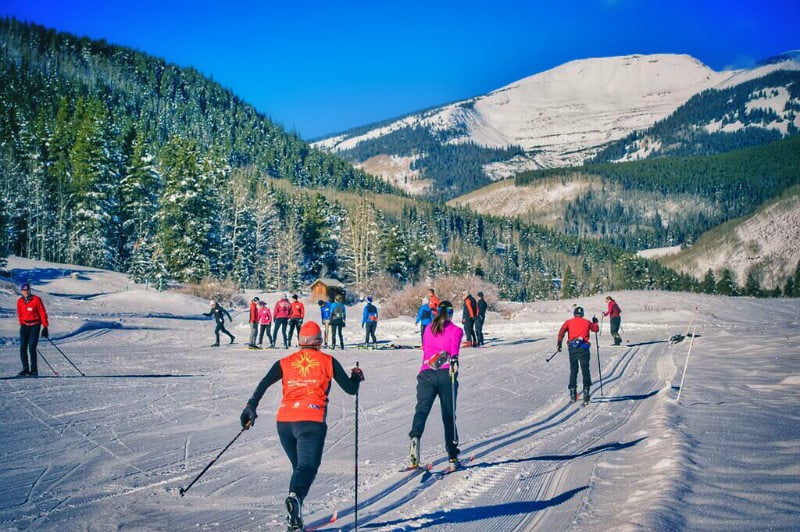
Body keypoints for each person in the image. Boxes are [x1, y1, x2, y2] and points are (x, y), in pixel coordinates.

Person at [240, 321, 364, 531]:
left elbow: (263, 383)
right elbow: (351, 390)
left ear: (300, 341)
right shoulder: (328, 361)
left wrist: (250, 406)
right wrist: (356, 376)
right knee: (307, 468)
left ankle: (294, 516)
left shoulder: (285, 362)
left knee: (299, 470)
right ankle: (295, 500)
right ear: (319, 342)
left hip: (285, 423)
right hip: (310, 421)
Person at [408, 300, 463, 471]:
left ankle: (415, 437)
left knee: (421, 410)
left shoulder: (427, 329)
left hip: (426, 374)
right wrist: (452, 359)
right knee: (448, 415)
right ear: (452, 313)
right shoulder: (456, 330)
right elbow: (454, 351)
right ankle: (452, 456)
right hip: (446, 375)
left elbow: (426, 348)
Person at [557, 306, 600, 404]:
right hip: (584, 347)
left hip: (573, 348)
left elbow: (561, 331)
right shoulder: (587, 322)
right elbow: (596, 329)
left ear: (574, 314)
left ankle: (573, 392)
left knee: (574, 369)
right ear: (582, 314)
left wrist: (559, 344)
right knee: (585, 369)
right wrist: (595, 322)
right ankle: (586, 391)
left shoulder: (569, 322)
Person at [16, 283, 49, 377]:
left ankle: (34, 370)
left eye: (27, 290)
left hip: (35, 326)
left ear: (30, 290)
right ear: (21, 291)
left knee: (31, 348)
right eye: (24, 290)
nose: (25, 292)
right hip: (24, 326)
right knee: (22, 348)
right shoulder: (19, 301)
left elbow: (42, 313)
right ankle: (25, 369)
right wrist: (22, 323)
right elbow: (20, 313)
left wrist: (45, 326)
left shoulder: (36, 300)